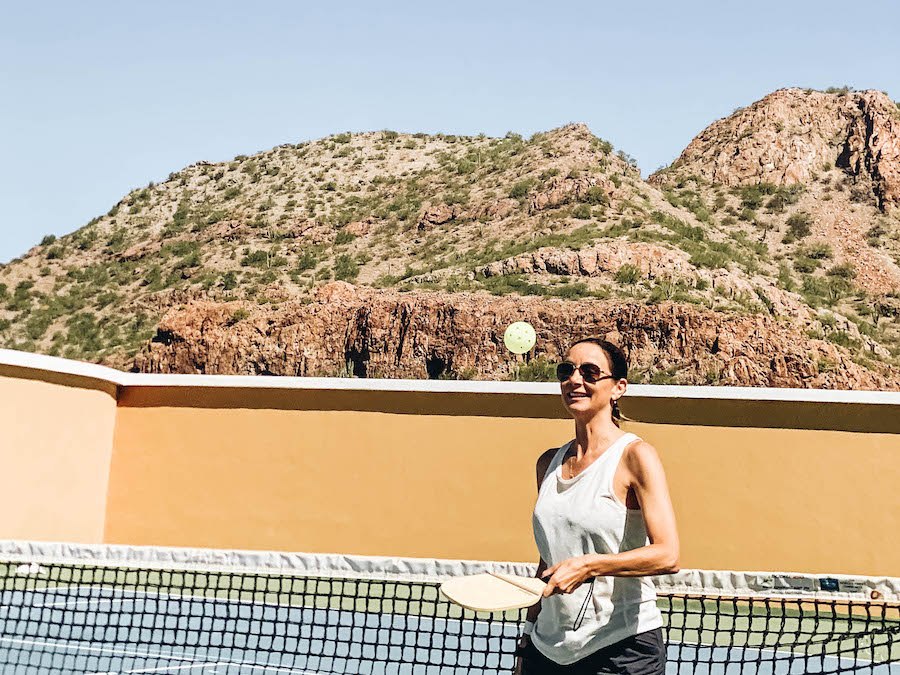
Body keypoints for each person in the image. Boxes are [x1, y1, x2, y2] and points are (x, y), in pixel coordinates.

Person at [516, 337, 680, 675]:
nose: (575, 380)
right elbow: (549, 558)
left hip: (621, 649)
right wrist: (527, 638)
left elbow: (668, 555)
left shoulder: (635, 456)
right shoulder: (547, 463)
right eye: (567, 371)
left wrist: (591, 566)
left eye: (591, 372)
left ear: (618, 387)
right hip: (547, 650)